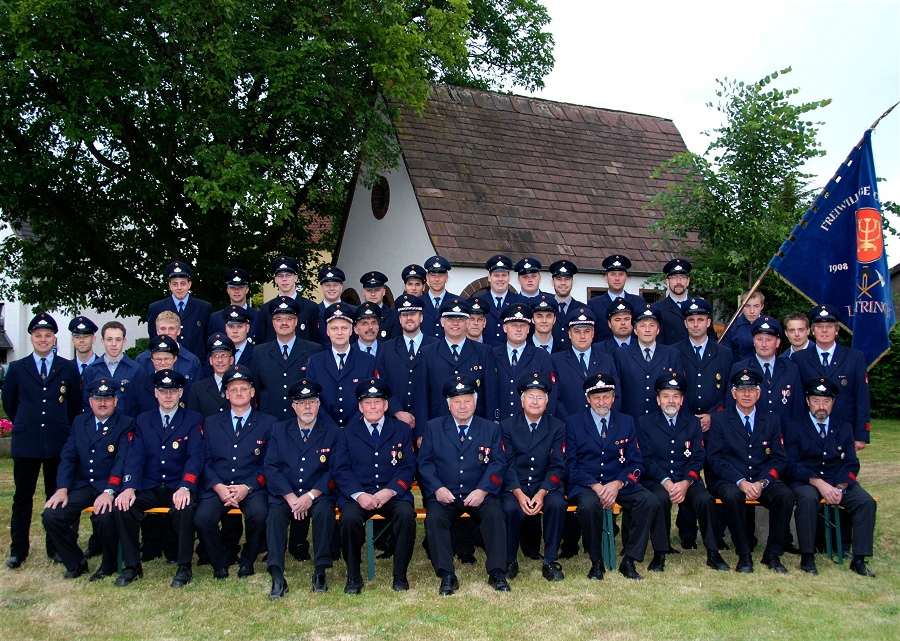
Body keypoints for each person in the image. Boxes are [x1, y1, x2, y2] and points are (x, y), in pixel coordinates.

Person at [564, 373, 668, 580]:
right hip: (586, 484)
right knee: (588, 506)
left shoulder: (626, 422)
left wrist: (619, 483)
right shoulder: (573, 423)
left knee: (649, 501)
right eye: (596, 397)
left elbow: (636, 463)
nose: (601, 402)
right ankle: (597, 562)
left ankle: (629, 560)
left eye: (606, 397)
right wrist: (595, 485)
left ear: (613, 398)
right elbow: (569, 465)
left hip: (618, 482)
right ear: (588, 399)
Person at [2, 312, 82, 569]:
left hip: (57, 441)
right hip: (26, 442)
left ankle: (55, 547)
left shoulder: (67, 367)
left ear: (54, 338)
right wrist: (27, 423)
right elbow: (10, 403)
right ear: (32, 338)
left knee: (55, 495)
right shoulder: (17, 368)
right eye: (38, 335)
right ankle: (18, 551)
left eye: (48, 335)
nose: (43, 339)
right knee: (22, 497)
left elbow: (73, 405)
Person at [418, 375, 510, 595]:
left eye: (467, 401)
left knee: (495, 515)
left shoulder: (490, 428)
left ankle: (497, 571)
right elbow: (424, 463)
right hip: (446, 494)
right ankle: (446, 574)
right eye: (457, 401)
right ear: (448, 405)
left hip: (478, 493)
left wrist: (482, 490)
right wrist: (437, 489)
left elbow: (498, 463)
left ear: (475, 404)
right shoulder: (433, 427)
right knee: (434, 518)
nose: (462, 406)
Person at [113, 370, 205, 588]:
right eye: (164, 391)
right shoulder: (144, 420)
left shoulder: (192, 419)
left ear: (180, 393)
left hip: (177, 485)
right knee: (123, 506)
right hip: (151, 485)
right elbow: (135, 456)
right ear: (156, 393)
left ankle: (184, 566)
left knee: (184, 508)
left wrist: (186, 486)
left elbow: (195, 456)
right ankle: (132, 566)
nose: (168, 396)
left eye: (173, 391)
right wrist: (129, 487)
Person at [636, 373, 730, 571]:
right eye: (666, 396)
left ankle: (713, 553)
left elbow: (698, 457)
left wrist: (686, 482)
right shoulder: (645, 422)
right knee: (659, 499)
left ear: (681, 400)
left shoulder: (692, 423)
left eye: (675, 396)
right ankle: (660, 553)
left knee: (705, 500)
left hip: (686, 480)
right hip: (658, 480)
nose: (671, 401)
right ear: (658, 400)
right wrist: (667, 481)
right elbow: (646, 458)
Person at [42, 378, 132, 581]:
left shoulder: (126, 424)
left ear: (115, 401)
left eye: (107, 399)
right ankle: (75, 562)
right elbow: (69, 457)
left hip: (110, 486)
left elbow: (122, 461)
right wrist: (62, 489)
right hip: (84, 484)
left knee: (104, 517)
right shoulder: (80, 422)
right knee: (52, 515)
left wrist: (109, 491)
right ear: (90, 402)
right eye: (98, 399)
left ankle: (108, 564)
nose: (103, 403)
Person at [331, 379, 417, 593]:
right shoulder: (346, 433)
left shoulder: (401, 430)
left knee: (406, 515)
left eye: (377, 402)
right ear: (360, 407)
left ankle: (400, 574)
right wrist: (359, 494)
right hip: (359, 494)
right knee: (349, 519)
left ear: (386, 405)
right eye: (367, 403)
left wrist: (390, 490)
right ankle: (353, 576)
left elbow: (408, 466)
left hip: (391, 494)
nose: (372, 407)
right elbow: (340, 470)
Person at [705, 369, 794, 574]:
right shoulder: (719, 420)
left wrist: (763, 482)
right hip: (729, 479)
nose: (747, 394)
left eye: (752, 389)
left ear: (758, 393)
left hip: (761, 479)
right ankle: (744, 554)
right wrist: (741, 481)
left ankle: (772, 553)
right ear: (733, 393)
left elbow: (779, 458)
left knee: (785, 496)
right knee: (732, 496)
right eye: (742, 389)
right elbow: (715, 458)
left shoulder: (771, 420)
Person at [785, 378, 876, 577]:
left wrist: (841, 487)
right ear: (808, 401)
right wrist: (819, 483)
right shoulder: (794, 427)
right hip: (807, 480)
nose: (821, 406)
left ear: (833, 403)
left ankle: (859, 559)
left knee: (866, 502)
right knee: (808, 500)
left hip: (837, 481)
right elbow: (792, 465)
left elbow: (851, 463)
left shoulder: (843, 427)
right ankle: (807, 557)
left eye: (826, 401)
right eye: (816, 401)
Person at [194, 365, 276, 580]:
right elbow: (204, 460)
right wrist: (218, 487)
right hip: (219, 486)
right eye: (233, 389)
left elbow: (270, 463)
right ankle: (219, 563)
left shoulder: (268, 423)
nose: (239, 393)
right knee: (202, 518)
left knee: (260, 516)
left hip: (251, 487)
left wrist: (247, 487)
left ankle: (247, 561)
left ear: (252, 392)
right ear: (226, 394)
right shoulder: (212, 422)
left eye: (243, 388)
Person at [264, 379, 339, 598]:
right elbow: (271, 467)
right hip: (286, 493)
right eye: (302, 403)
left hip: (317, 493)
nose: (307, 407)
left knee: (324, 513)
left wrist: (311, 495)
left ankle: (320, 572)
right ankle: (277, 575)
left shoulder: (332, 432)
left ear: (319, 405)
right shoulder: (279, 430)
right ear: (293, 406)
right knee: (275, 517)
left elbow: (334, 470)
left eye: (312, 402)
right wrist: (290, 497)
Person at [500, 373, 567, 581]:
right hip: (516, 485)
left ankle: (550, 560)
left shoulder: (557, 426)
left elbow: (558, 465)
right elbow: (506, 464)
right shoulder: (507, 426)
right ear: (522, 401)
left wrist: (542, 492)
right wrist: (519, 493)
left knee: (557, 504)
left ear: (547, 401)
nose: (535, 402)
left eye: (540, 397)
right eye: (530, 396)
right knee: (509, 508)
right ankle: (509, 560)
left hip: (544, 485)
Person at [791, 304, 871, 450]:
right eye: (820, 326)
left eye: (829, 326)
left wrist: (861, 435)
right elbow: (797, 399)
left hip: (844, 431)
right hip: (808, 432)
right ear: (812, 331)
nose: (824, 330)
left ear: (836, 330)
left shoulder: (854, 357)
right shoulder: (799, 359)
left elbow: (862, 398)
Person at [420, 298, 497, 421]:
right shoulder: (427, 353)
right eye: (450, 319)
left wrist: (490, 427)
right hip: (438, 424)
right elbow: (422, 397)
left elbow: (490, 395)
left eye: (460, 319)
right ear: (442, 322)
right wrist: (423, 429)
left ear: (467, 323)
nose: (455, 323)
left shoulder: (484, 352)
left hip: (476, 424)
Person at [250, 296, 324, 421]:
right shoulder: (259, 352)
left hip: (301, 420)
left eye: (289, 319)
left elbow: (319, 388)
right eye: (278, 319)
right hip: (268, 419)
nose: (284, 323)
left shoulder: (313, 350)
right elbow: (255, 389)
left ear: (296, 321)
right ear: (273, 323)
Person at [303, 303, 376, 427]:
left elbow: (368, 398)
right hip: (325, 429)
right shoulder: (315, 362)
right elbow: (312, 399)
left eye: (344, 328)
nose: (339, 333)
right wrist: (331, 428)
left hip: (357, 428)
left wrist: (350, 427)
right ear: (327, 332)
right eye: (334, 329)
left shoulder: (367, 361)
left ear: (351, 331)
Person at [376, 294, 435, 444]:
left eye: (413, 314)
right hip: (394, 423)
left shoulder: (435, 346)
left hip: (428, 425)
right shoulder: (387, 348)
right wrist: (397, 411)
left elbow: (436, 386)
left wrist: (418, 416)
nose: (409, 318)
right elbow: (382, 384)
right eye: (404, 314)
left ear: (421, 317)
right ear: (399, 318)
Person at [729, 316, 805, 426]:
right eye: (759, 339)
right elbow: (731, 407)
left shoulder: (791, 369)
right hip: (751, 432)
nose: (764, 344)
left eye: (768, 340)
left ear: (778, 342)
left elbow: (798, 408)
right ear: (753, 341)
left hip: (783, 432)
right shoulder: (739, 368)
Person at [613, 305, 683, 421]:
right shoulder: (621, 354)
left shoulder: (672, 354)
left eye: (652, 325)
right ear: (635, 330)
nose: (647, 330)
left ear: (658, 330)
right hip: (631, 420)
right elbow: (617, 391)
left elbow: (679, 391)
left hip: (661, 421)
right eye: (642, 326)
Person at [550, 306, 619, 420]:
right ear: (569, 334)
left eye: (587, 331)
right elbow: (554, 398)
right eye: (577, 331)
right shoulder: (556, 360)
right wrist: (569, 423)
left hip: (601, 424)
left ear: (593, 333)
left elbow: (616, 396)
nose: (582, 336)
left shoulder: (607, 360)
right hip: (568, 424)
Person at [492, 304, 556, 422]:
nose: (519, 329)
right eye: (513, 325)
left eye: (523, 325)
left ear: (528, 329)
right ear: (505, 328)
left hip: (529, 423)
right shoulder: (492, 355)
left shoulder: (541, 356)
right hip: (498, 422)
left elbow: (550, 393)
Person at [147, 261, 212, 359]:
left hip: (196, 362)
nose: (179, 288)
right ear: (169, 285)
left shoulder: (203, 307)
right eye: (175, 284)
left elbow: (208, 339)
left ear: (189, 284)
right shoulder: (156, 308)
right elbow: (154, 339)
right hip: (167, 361)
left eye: (183, 283)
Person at [82, 321, 144, 416]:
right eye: (109, 339)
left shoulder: (136, 370)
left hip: (128, 424)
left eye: (118, 339)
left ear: (124, 341)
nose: (114, 344)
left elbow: (142, 404)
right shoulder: (91, 370)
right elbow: (87, 403)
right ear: (102, 341)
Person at [256, 255, 319, 344]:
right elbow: (262, 341)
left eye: (288, 275)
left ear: (295, 278)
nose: (284, 279)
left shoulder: (310, 307)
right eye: (280, 276)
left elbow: (315, 341)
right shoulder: (266, 309)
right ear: (275, 280)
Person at [586, 255, 645, 342]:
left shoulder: (638, 302)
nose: (617, 278)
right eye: (613, 274)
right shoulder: (594, 304)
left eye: (621, 274)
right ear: (606, 278)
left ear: (626, 278)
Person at [474, 254, 527, 347]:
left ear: (509, 277)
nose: (500, 279)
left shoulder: (521, 302)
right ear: (489, 277)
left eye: (504, 275)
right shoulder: (479, 301)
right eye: (496, 275)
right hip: (485, 351)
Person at [135, 311, 202, 383]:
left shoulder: (192, 361)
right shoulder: (143, 360)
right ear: (157, 331)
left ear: (178, 331)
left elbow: (197, 388)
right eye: (163, 329)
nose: (167, 333)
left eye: (171, 328)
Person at [187, 333, 235, 419]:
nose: (220, 360)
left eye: (224, 356)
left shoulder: (240, 387)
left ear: (231, 360)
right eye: (216, 356)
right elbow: (194, 420)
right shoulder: (198, 389)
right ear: (210, 360)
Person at [208, 268, 260, 340]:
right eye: (232, 288)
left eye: (240, 287)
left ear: (247, 289)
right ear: (227, 290)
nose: (236, 291)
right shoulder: (215, 318)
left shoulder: (258, 316)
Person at [549, 259, 584, 353]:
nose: (563, 283)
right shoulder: (546, 309)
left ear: (572, 282)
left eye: (567, 279)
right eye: (559, 279)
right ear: (553, 282)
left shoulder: (583, 309)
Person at [721, 290, 765, 362]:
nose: (752, 311)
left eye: (756, 306)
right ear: (741, 306)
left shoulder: (770, 325)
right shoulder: (731, 327)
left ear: (762, 306)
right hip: (740, 367)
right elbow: (727, 356)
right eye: (747, 306)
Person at [657, 258, 693, 345]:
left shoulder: (698, 306)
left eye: (683, 277)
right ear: (667, 282)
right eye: (674, 277)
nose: (679, 282)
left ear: (688, 281)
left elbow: (710, 336)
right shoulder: (658, 309)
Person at [315, 266, 351, 349]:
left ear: (341, 287)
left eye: (335, 285)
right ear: (322, 288)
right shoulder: (314, 311)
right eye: (327, 285)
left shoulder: (352, 311)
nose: (331, 289)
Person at [421, 255, 456, 340]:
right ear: (427, 278)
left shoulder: (457, 302)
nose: (437, 279)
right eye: (433, 275)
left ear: (446, 278)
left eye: (441, 275)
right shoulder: (418, 302)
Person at [359, 271, 400, 341]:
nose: (373, 294)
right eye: (369, 290)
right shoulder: (356, 314)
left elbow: (395, 342)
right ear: (363, 292)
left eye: (377, 290)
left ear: (384, 292)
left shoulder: (394, 315)